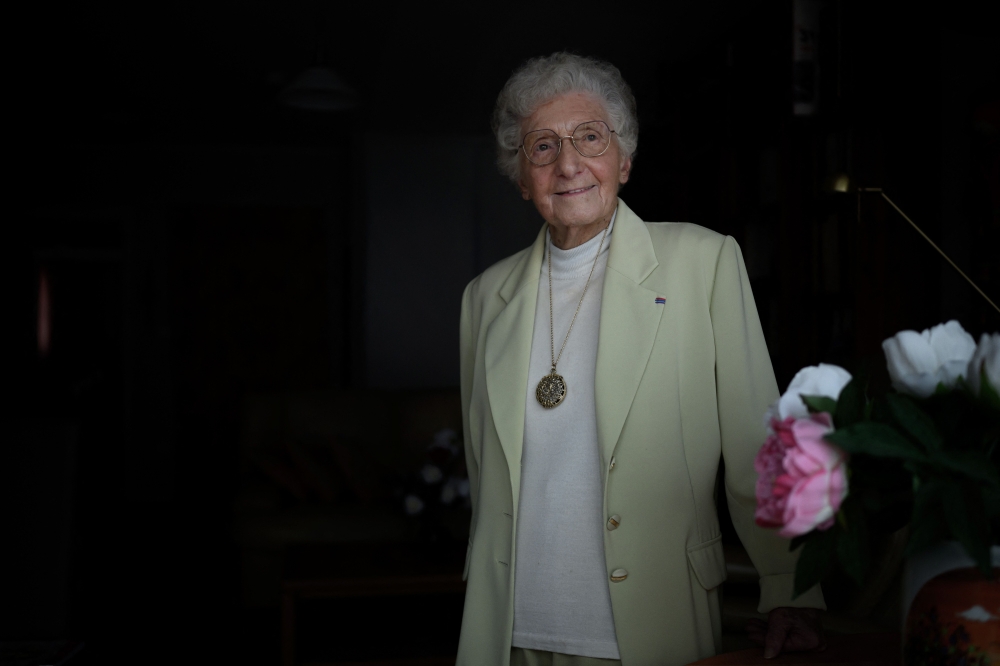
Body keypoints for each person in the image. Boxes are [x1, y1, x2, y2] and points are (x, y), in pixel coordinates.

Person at [456, 52, 825, 666]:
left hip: (654, 617)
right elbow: (483, 471)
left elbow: (758, 446)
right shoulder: (484, 298)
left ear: (623, 160)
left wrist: (789, 586)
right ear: (521, 177)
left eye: (589, 138)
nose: (568, 163)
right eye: (542, 147)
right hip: (512, 629)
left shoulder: (702, 262)